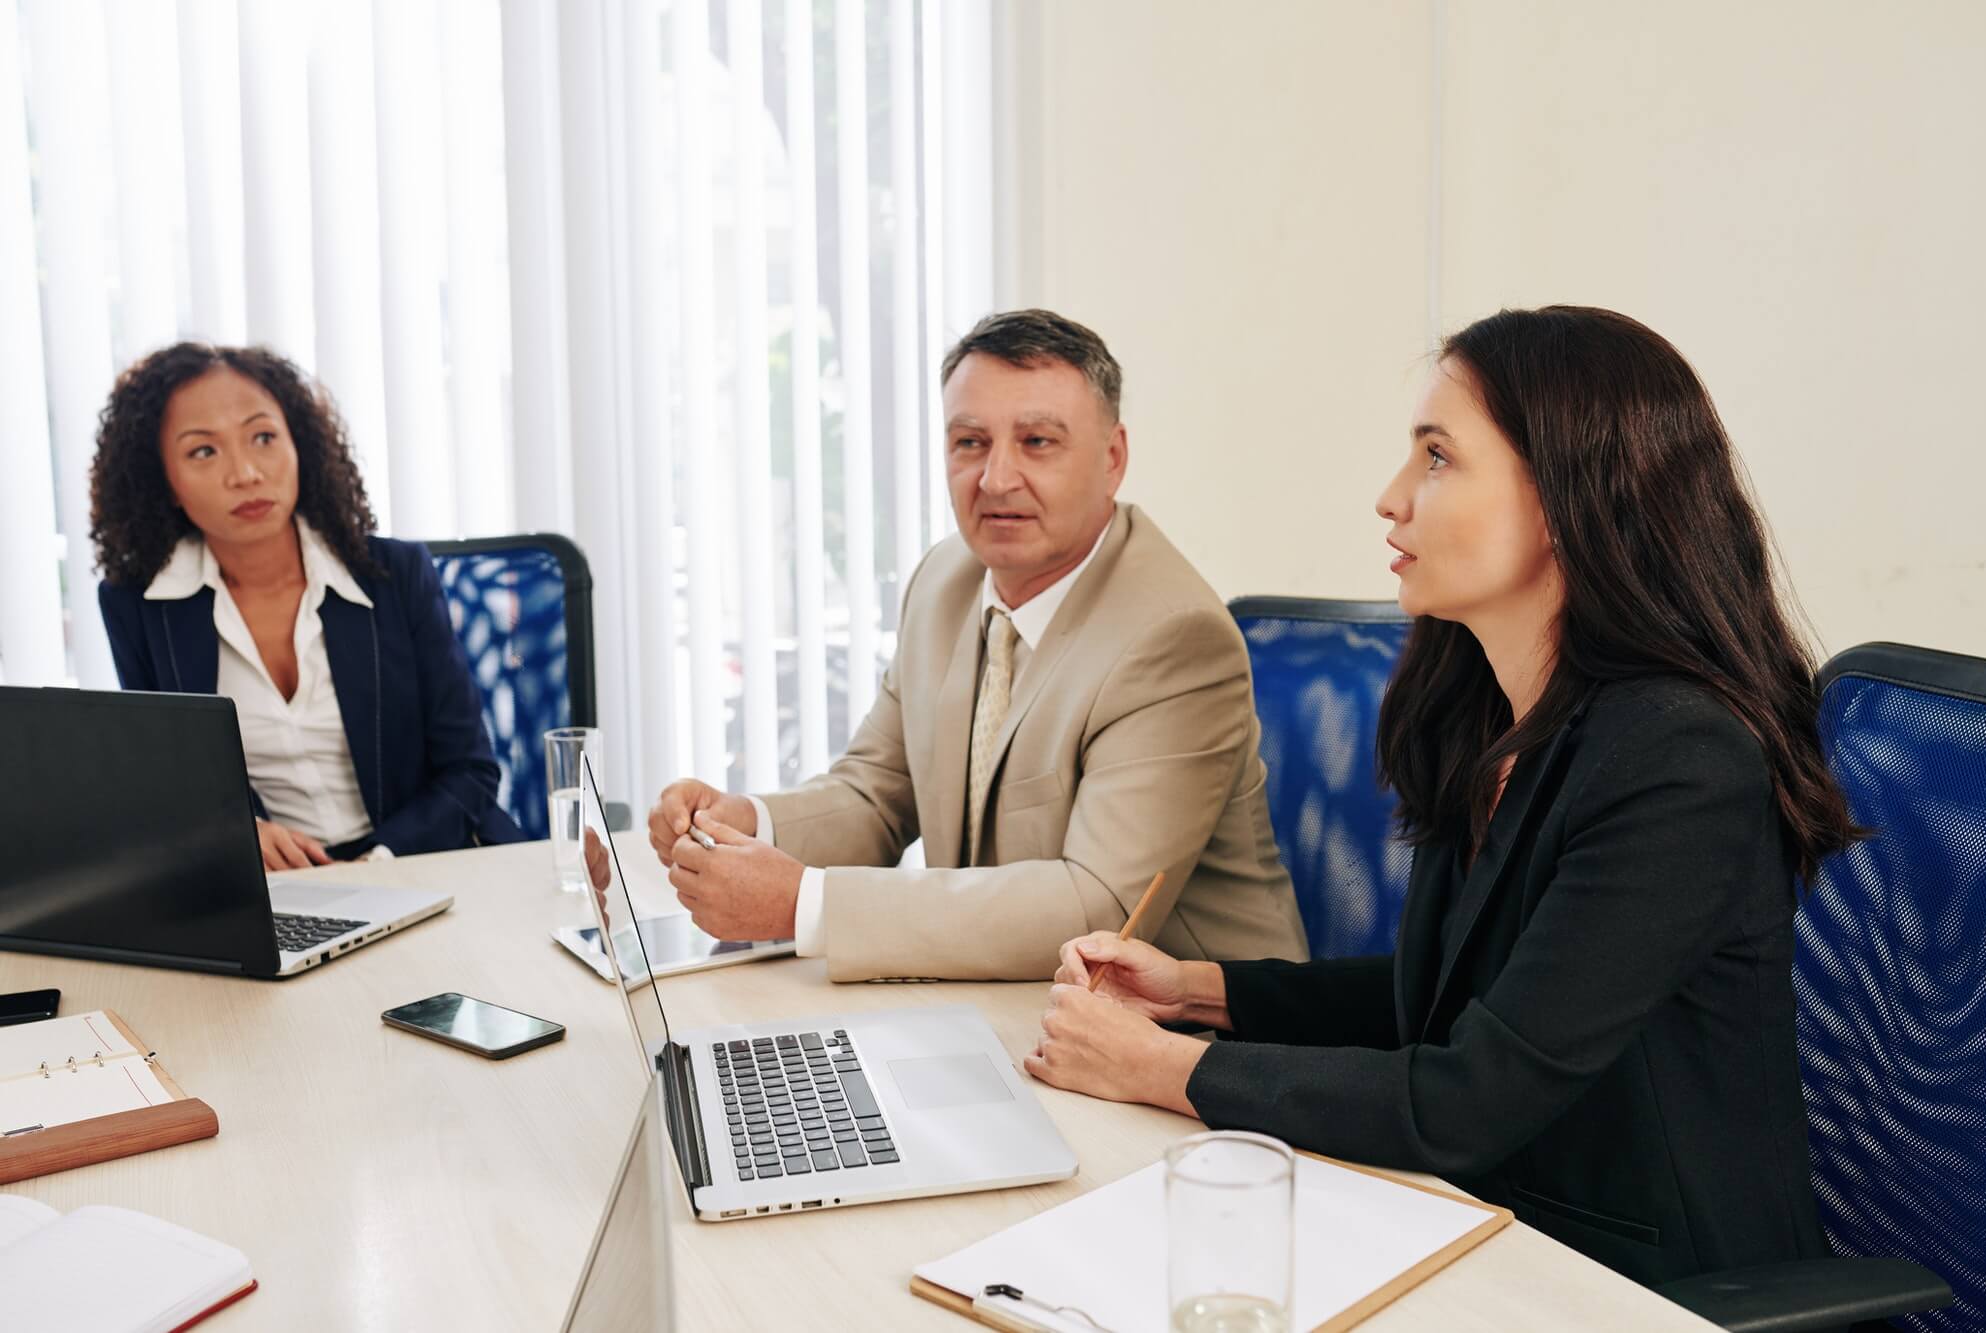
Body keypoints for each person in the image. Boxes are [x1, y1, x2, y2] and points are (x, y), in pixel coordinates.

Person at [1026, 306, 1850, 1286]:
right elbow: (1456, 999)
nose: (1389, 498)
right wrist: (1197, 989)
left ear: (1561, 497)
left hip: (1645, 1284)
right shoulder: (1492, 719)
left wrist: (1159, 1067)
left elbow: (1470, 1092)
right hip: (1479, 1223)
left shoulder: (1680, 760)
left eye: (1436, 458)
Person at [606, 309, 1307, 981]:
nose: (996, 479)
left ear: (1113, 458)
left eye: (1037, 442)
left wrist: (805, 904)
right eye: (970, 442)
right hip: (1003, 1006)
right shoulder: (946, 580)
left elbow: (1098, 908)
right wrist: (747, 825)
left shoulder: (1174, 637)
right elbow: (878, 794)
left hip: (1193, 1049)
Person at [92, 343, 522, 868]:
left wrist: (375, 866)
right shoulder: (138, 606)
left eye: (264, 437)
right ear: (166, 484)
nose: (246, 472)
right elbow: (168, 787)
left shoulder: (394, 576)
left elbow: (469, 771)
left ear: (300, 447)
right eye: (203, 451)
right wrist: (236, 832)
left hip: (419, 864)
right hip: (269, 889)